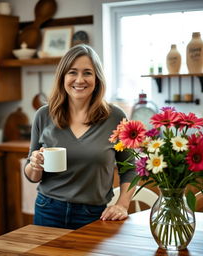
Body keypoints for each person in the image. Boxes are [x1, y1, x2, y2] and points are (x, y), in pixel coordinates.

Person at [24, 44, 136, 230]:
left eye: (87, 73)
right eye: (72, 72)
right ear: (63, 77)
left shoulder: (115, 117)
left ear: (97, 78)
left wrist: (122, 205)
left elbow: (130, 169)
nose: (79, 79)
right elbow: (32, 176)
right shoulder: (43, 115)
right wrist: (34, 164)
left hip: (94, 214)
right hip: (48, 210)